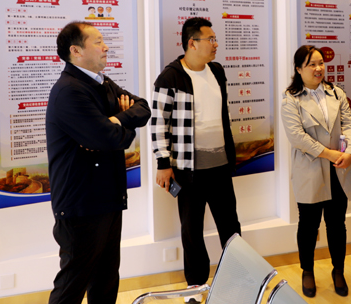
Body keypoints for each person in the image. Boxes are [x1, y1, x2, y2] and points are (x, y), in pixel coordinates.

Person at [46, 22, 151, 304]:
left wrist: (116, 120)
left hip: (107, 197)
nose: (105, 47)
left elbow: (143, 108)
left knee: (105, 279)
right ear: (76, 51)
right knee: (72, 285)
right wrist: (118, 126)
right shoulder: (69, 90)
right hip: (81, 204)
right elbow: (107, 138)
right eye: (98, 42)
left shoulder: (101, 82)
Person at [151, 17, 241, 304]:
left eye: (215, 39)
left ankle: (237, 279)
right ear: (192, 43)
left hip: (220, 167)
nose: (215, 44)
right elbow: (158, 123)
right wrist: (163, 163)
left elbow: (223, 115)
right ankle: (195, 288)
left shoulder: (217, 71)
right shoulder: (171, 77)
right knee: (192, 231)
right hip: (188, 171)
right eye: (210, 39)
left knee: (231, 227)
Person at [281, 45, 351, 298]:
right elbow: (297, 137)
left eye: (320, 63)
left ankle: (338, 270)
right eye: (311, 64)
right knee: (308, 225)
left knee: (337, 223)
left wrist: (350, 152)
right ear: (299, 69)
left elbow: (349, 125)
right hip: (310, 169)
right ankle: (307, 271)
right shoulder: (291, 99)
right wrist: (331, 154)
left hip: (339, 168)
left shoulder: (336, 93)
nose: (318, 68)